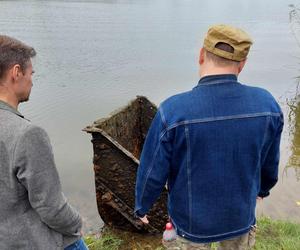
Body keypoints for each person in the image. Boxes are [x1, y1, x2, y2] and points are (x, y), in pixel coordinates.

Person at [135, 24, 284, 249]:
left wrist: (142, 206)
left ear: (201, 55)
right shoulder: (268, 105)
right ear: (242, 65)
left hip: (190, 224)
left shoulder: (173, 110)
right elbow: (270, 163)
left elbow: (152, 171)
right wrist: (262, 190)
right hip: (239, 218)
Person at [0, 35, 88, 250]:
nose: (32, 81)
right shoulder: (27, 134)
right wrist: (76, 224)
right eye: (31, 74)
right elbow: (51, 207)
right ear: (16, 72)